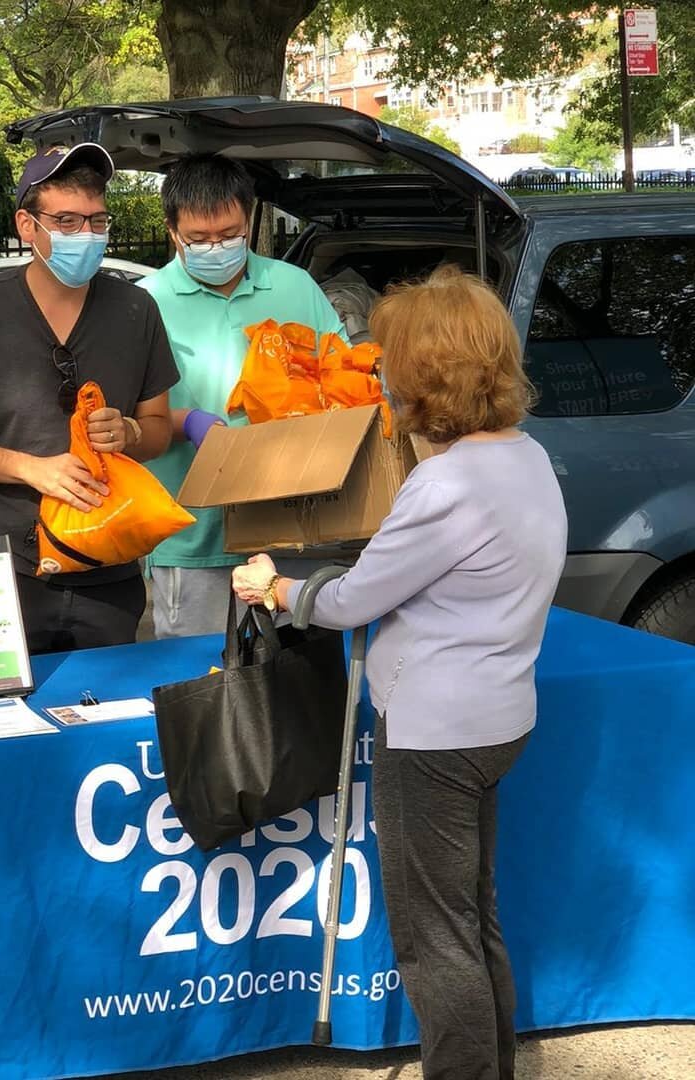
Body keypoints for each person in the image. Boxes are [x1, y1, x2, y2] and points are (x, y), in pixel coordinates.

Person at [232, 266, 567, 1080]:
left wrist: (274, 587)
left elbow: (351, 600)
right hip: (500, 715)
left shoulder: (446, 483)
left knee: (432, 938)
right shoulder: (525, 456)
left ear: (422, 374)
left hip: (435, 733)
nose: (379, 374)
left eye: (389, 363)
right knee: (471, 918)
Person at [0, 143, 178, 654]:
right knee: (4, 725)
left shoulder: (135, 309)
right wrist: (29, 468)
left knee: (103, 720)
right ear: (26, 225)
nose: (86, 235)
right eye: (67, 220)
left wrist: (131, 433)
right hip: (3, 570)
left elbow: (160, 427)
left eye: (97, 221)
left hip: (108, 564)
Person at [138, 153, 349, 638]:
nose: (217, 247)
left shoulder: (294, 286)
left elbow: (346, 384)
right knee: (207, 691)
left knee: (297, 689)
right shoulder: (145, 303)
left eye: (229, 234)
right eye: (199, 239)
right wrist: (183, 421)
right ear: (173, 231)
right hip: (193, 540)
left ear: (250, 220)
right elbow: (124, 418)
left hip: (295, 535)